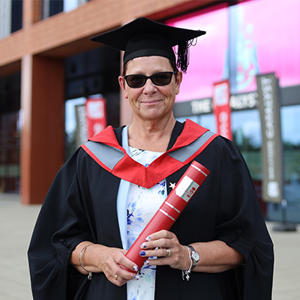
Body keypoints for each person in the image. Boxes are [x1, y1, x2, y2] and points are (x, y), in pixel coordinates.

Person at [28, 17, 274, 300]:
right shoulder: (92, 158)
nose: (149, 88)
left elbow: (250, 245)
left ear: (178, 81)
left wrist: (188, 255)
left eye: (161, 77)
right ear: (123, 86)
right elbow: (54, 243)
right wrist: (100, 256)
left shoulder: (215, 154)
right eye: (136, 80)